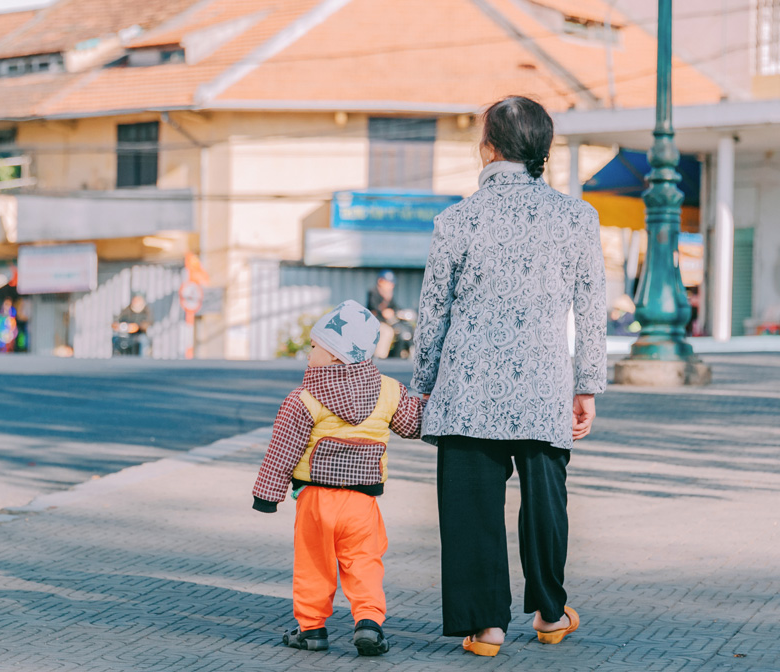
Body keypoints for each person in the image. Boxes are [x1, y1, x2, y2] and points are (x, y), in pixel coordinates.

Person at [411, 96, 607, 657]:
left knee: (471, 506)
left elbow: (434, 314)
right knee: (546, 502)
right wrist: (585, 385)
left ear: (488, 148)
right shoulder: (577, 218)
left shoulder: (456, 220)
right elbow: (591, 309)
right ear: (542, 150)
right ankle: (549, 613)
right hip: (544, 387)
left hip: (466, 389)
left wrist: (423, 386)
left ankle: (486, 628)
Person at [251, 299, 425, 656]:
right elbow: (413, 425)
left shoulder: (304, 398)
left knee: (314, 563)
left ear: (335, 356)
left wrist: (267, 495)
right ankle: (369, 623)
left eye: (315, 347)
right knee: (364, 561)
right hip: (362, 503)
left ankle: (311, 628)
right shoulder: (389, 391)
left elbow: (282, 450)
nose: (308, 353)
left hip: (316, 501)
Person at [366, 269, 399, 359]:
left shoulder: (389, 295)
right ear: (380, 281)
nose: (391, 285)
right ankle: (380, 357)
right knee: (387, 331)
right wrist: (384, 312)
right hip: (375, 321)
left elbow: (395, 307)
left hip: (386, 322)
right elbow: (373, 306)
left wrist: (394, 312)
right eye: (388, 282)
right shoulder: (373, 292)